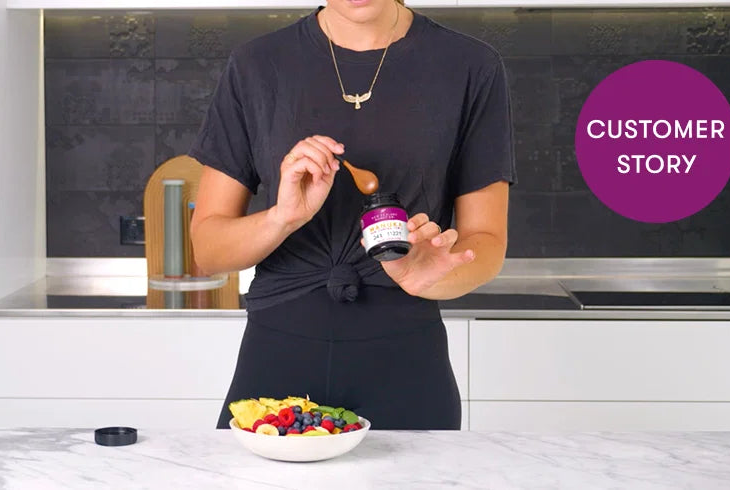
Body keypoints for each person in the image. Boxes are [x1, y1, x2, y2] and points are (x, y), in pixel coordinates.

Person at [189, 0, 514, 430]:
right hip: (276, 360)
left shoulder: (471, 66)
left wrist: (427, 274)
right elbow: (208, 250)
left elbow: (487, 242)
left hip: (408, 364)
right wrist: (282, 217)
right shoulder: (256, 65)